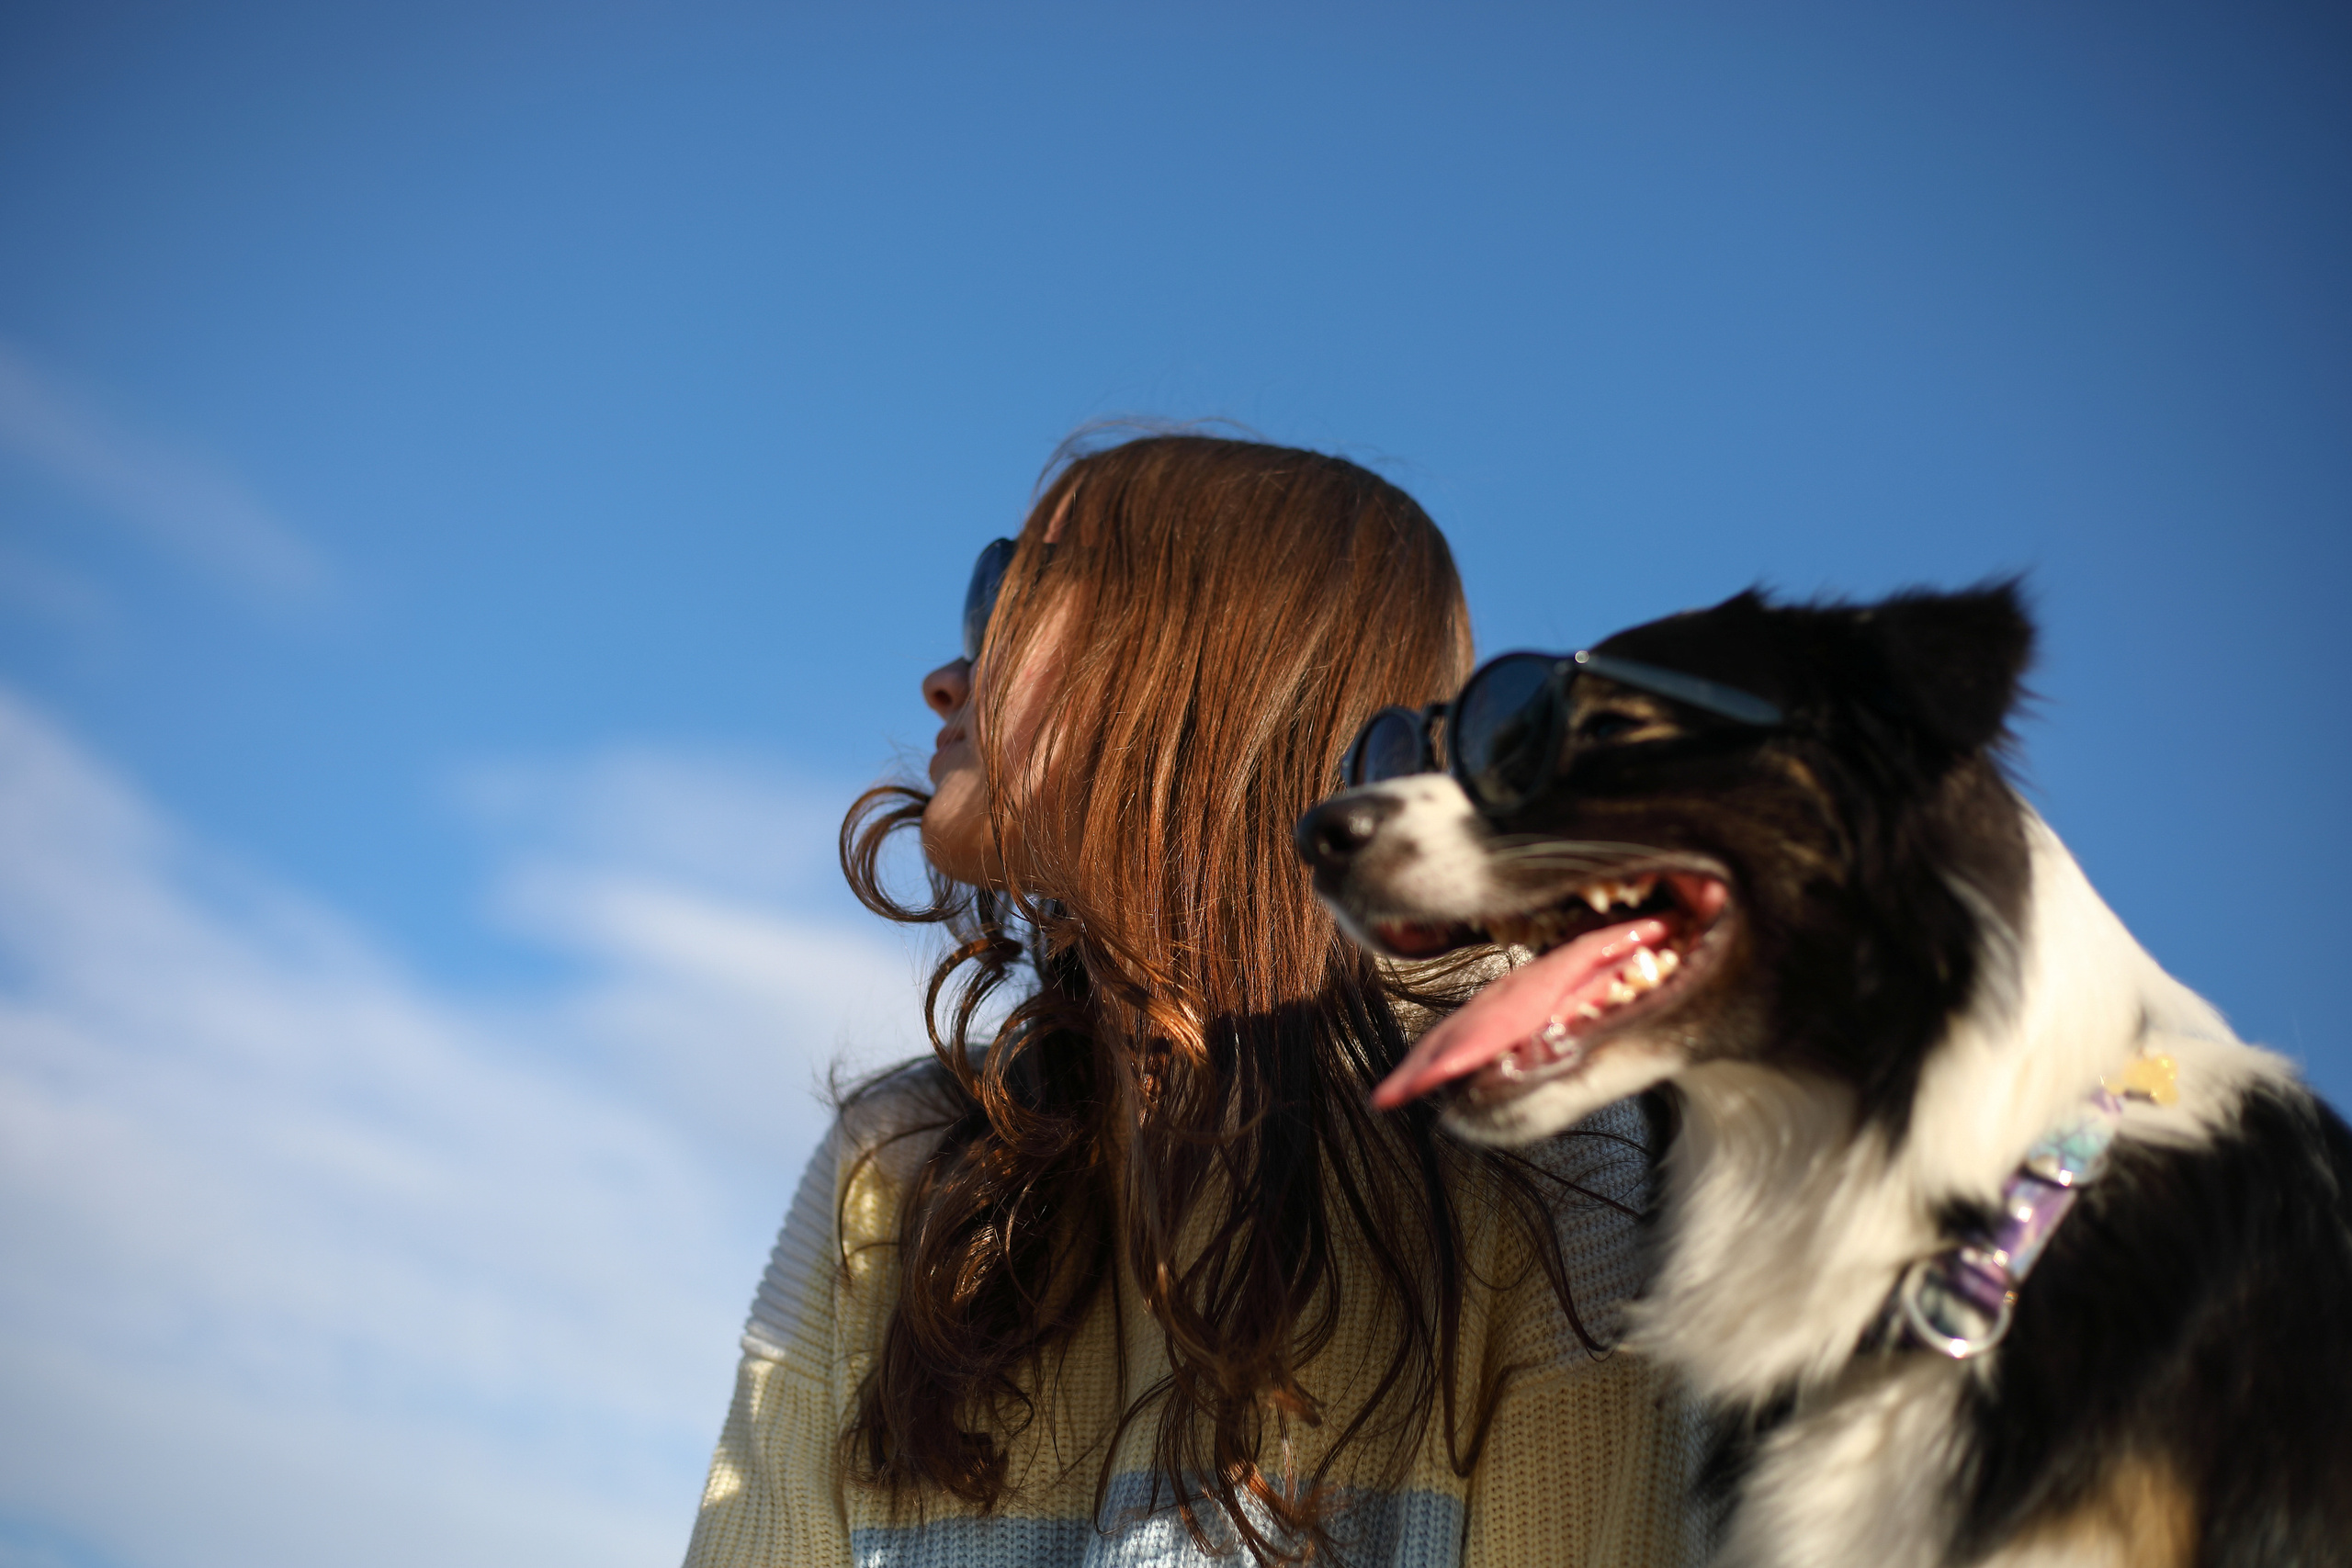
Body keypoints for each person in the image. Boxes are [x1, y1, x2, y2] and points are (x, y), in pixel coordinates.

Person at [682, 434, 1706, 1567]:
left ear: (1211, 659)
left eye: (1010, 592)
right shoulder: (897, 1170)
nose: (946, 675)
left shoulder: (1540, 1149)